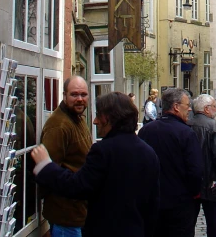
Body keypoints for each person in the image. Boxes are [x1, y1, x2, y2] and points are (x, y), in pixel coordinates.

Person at [31, 92, 160, 236]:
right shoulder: (149, 153)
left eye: (98, 115)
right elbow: (152, 206)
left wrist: (46, 166)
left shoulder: (103, 151)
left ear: (109, 118)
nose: (94, 121)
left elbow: (78, 186)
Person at [138, 87, 203, 237]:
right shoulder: (186, 133)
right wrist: (194, 194)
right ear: (176, 107)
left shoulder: (146, 131)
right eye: (187, 106)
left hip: (152, 203)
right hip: (179, 204)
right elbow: (195, 170)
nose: (189, 110)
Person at [38, 76, 92, 237]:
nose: (80, 99)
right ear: (64, 95)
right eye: (74, 95)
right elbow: (47, 171)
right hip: (66, 216)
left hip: (78, 212)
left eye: (83, 94)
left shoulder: (78, 119)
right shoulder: (59, 126)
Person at [189, 94, 216, 237]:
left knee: (188, 223)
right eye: (214, 106)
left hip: (190, 183)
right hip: (210, 182)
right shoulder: (215, 126)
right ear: (206, 109)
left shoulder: (186, 123)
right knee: (213, 222)